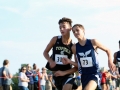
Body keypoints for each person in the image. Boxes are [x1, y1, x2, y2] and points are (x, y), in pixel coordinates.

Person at [62, 24, 116, 90]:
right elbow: (78, 65)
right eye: (73, 32)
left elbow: (108, 50)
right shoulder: (74, 47)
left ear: (83, 31)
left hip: (94, 74)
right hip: (84, 76)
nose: (75, 32)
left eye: (77, 30)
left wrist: (110, 61)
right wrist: (69, 61)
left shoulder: (93, 42)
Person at [43, 17, 78, 90]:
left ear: (70, 28)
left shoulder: (73, 45)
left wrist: (64, 73)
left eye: (64, 27)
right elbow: (45, 52)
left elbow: (77, 66)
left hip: (67, 74)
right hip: (56, 74)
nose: (61, 29)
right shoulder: (55, 39)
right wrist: (50, 61)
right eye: (60, 27)